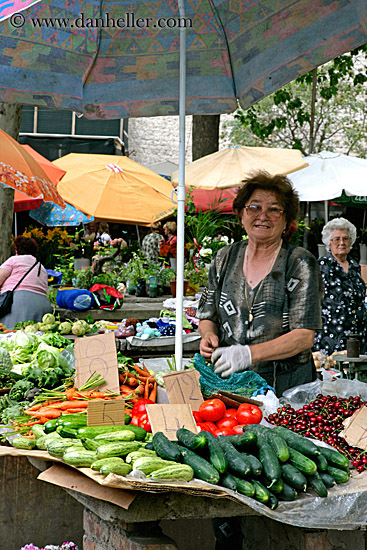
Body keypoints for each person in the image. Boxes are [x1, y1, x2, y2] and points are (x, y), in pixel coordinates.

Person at [197, 170, 324, 398]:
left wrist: (248, 354)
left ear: (287, 220)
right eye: (254, 207)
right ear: (241, 214)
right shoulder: (224, 257)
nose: (263, 215)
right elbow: (208, 314)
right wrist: (208, 336)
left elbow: (304, 336)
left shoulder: (300, 262)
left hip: (287, 388)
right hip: (231, 385)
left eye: (274, 209)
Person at [313, 217, 367, 356]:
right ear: (328, 244)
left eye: (345, 238)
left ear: (351, 241)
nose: (341, 243)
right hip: (331, 339)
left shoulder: (355, 267)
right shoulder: (320, 267)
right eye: (336, 239)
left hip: (358, 338)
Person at [0, 236, 52, 328]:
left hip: (19, 303)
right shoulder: (41, 267)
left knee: (12, 336)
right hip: (43, 305)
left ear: (16, 249)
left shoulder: (14, 260)